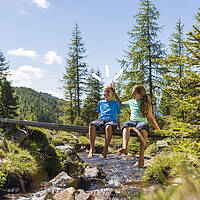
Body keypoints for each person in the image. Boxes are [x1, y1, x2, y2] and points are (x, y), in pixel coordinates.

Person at [111, 84, 160, 168]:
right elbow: (120, 104)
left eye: (134, 93)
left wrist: (158, 129)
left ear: (140, 95)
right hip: (132, 122)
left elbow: (151, 117)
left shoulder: (145, 103)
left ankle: (141, 157)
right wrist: (114, 93)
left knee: (142, 129)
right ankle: (124, 147)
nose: (132, 95)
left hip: (141, 122)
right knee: (125, 126)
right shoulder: (131, 101)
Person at [88, 85, 121, 159]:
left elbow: (118, 115)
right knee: (92, 125)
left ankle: (105, 150)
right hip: (102, 120)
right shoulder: (100, 103)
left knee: (108, 127)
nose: (106, 93)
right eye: (104, 91)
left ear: (112, 93)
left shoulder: (115, 103)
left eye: (108, 91)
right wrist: (97, 124)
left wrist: (118, 126)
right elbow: (99, 114)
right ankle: (91, 149)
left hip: (112, 121)